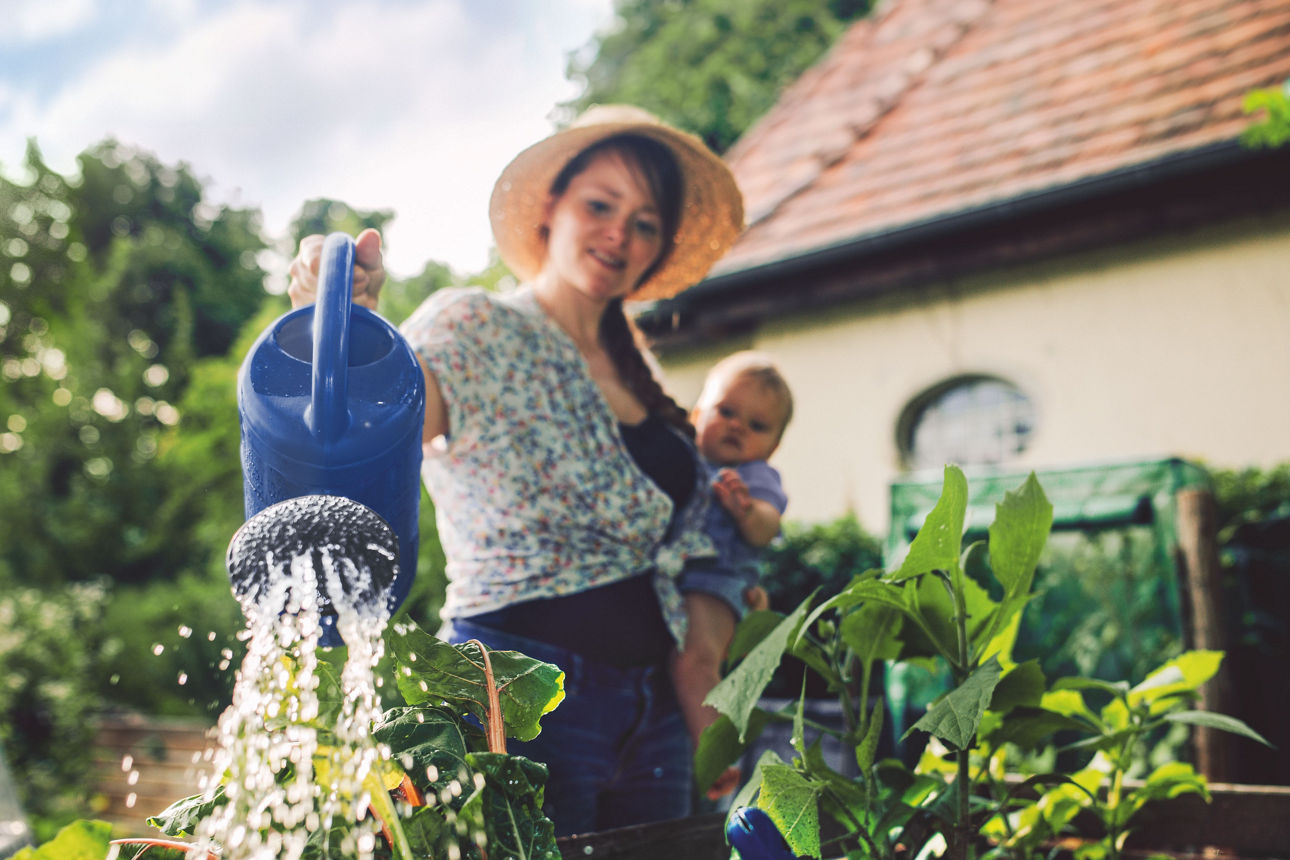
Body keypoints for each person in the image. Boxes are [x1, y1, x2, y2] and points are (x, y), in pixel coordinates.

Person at [286, 105, 747, 836]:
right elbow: (382, 420)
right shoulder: (476, 326)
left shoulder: (647, 379)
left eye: (645, 223)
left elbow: (697, 549)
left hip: (656, 708)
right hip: (511, 690)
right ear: (551, 209)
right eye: (601, 206)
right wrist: (350, 322)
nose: (620, 235)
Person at [671, 352, 792, 797]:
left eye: (757, 425)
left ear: (772, 447)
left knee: (696, 659)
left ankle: (716, 755)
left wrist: (746, 511)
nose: (738, 427)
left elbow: (767, 526)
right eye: (726, 412)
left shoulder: (756, 476)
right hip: (677, 577)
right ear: (696, 415)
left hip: (716, 582)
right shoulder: (684, 458)